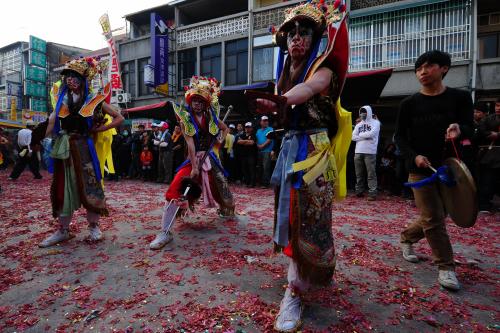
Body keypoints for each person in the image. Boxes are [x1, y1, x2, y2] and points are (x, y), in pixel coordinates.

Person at [255, 2, 351, 330]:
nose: (296, 38)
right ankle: (303, 277)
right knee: (292, 215)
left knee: (310, 218)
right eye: (291, 33)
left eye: (304, 31)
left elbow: (308, 89)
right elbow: (287, 108)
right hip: (291, 147)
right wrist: (275, 105)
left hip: (314, 153)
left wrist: (281, 99)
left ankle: (295, 291)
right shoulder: (283, 74)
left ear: (316, 37)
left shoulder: (323, 67)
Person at [394, 50, 473, 291]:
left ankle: (407, 236)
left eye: (428, 66)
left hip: (450, 167)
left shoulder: (460, 98)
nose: (423, 72)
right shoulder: (408, 104)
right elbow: (399, 137)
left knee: (438, 214)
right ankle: (446, 267)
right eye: (418, 69)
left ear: (444, 68)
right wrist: (414, 155)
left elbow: (470, 127)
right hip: (421, 169)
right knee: (433, 217)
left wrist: (460, 129)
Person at [39, 57, 123, 247]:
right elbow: (52, 123)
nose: (70, 79)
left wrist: (99, 130)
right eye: (68, 75)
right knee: (63, 186)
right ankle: (63, 230)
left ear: (83, 78)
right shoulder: (61, 100)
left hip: (85, 148)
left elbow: (119, 118)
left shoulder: (94, 99)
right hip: (65, 149)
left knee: (91, 185)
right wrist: (35, 139)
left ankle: (94, 226)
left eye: (74, 75)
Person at [149, 76, 235, 250]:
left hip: (210, 158)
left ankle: (227, 210)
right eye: (194, 100)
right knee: (176, 188)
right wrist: (194, 167)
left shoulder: (211, 117)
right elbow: (189, 144)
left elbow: (225, 129)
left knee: (222, 187)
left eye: (200, 101)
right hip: (192, 159)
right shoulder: (185, 118)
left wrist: (219, 139)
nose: (197, 104)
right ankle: (165, 232)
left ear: (205, 103)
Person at [475, 98, 500, 213]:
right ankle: (484, 205)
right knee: (487, 181)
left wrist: (498, 135)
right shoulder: (488, 119)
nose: (498, 108)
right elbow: (481, 131)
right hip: (490, 156)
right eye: (497, 106)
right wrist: (489, 134)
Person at [352, 105, 380, 200]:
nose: (362, 114)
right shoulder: (359, 124)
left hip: (370, 151)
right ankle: (359, 191)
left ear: (368, 112)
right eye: (361, 112)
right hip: (358, 151)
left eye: (364, 112)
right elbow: (353, 137)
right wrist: (365, 136)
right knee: (359, 173)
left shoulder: (376, 123)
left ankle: (372, 193)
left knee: (371, 173)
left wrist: (360, 135)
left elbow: (372, 133)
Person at [236, 122, 257, 187]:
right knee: (244, 169)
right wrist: (247, 141)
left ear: (251, 128)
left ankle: (252, 183)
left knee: (251, 169)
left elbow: (252, 143)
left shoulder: (254, 135)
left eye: (249, 127)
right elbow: (238, 141)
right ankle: (247, 182)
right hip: (244, 155)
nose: (247, 128)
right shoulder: (242, 134)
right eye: (246, 127)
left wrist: (243, 141)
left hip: (251, 155)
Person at [256, 116, 274, 188]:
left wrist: (262, 146)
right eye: (264, 121)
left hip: (267, 151)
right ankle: (260, 182)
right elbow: (256, 139)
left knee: (266, 167)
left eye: (266, 120)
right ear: (260, 122)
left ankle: (266, 183)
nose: (266, 122)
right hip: (259, 151)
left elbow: (270, 139)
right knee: (260, 167)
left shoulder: (270, 129)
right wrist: (258, 145)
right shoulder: (258, 130)